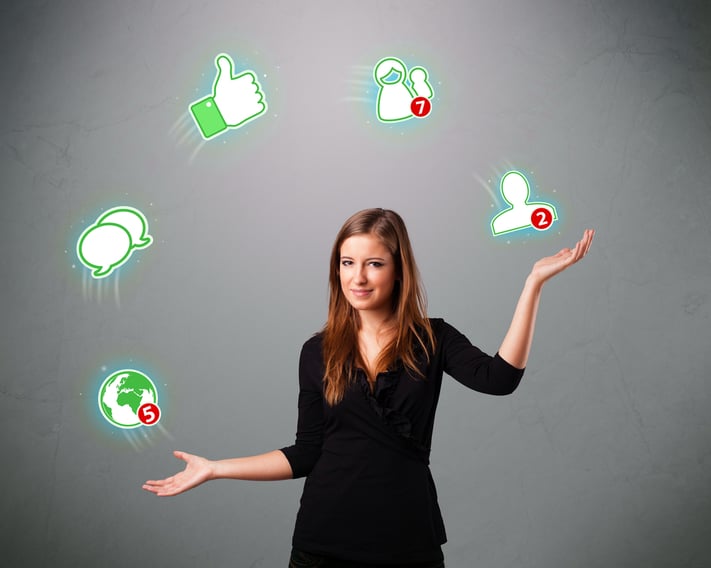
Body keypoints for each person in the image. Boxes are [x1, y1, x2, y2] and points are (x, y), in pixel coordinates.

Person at [143, 208, 594, 567]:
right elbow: (306, 452)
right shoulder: (315, 351)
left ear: (398, 270)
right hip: (322, 546)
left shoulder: (433, 337)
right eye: (347, 263)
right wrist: (216, 468)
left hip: (406, 543)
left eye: (373, 263)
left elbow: (500, 380)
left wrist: (533, 284)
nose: (357, 277)